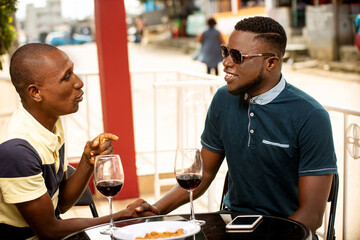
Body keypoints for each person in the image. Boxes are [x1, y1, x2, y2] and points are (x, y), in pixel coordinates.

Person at [137, 16, 337, 239]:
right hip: (232, 224)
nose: (226, 62)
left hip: (286, 230)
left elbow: (311, 214)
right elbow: (204, 174)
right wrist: (158, 209)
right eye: (225, 51)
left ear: (271, 62)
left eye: (237, 56)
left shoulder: (311, 116)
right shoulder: (223, 99)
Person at [0, 43, 157, 240]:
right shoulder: (17, 150)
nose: (79, 82)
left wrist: (88, 161)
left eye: (73, 72)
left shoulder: (49, 124)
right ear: (35, 92)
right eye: (67, 76)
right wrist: (122, 217)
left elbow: (62, 204)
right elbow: (49, 231)